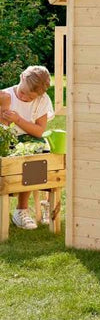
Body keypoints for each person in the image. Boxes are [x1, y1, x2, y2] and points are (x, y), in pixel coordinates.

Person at [0, 66, 55, 230]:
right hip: (7, 140)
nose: (24, 97)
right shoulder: (5, 96)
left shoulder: (42, 100)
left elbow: (39, 131)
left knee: (36, 157)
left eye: (30, 97)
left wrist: (18, 119)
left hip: (30, 142)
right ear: (21, 77)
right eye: (23, 92)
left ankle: (21, 210)